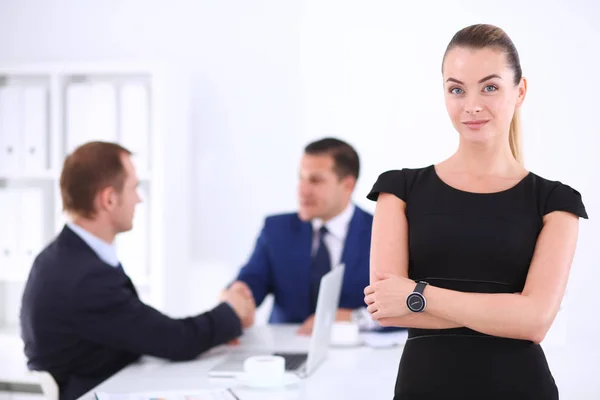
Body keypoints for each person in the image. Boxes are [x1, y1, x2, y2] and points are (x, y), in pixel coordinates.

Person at [363, 24, 588, 399]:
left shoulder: (555, 202)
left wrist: (417, 295)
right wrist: (507, 313)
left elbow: (535, 322)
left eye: (490, 87)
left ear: (520, 92)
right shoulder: (399, 190)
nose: (471, 105)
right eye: (456, 89)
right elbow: (386, 308)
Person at [20, 142, 256, 400]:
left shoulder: (67, 256)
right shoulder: (84, 277)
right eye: (134, 187)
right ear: (109, 199)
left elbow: (141, 331)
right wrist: (232, 312)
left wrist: (221, 326)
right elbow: (175, 340)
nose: (139, 199)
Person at [230, 137, 375, 335]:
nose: (302, 190)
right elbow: (251, 280)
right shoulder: (276, 230)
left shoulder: (379, 232)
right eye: (301, 178)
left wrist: (352, 317)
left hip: (355, 352)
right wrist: (237, 295)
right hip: (287, 349)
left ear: (348, 185)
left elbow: (404, 306)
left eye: (316, 180)